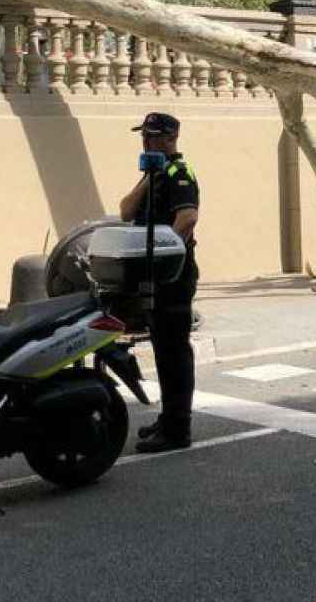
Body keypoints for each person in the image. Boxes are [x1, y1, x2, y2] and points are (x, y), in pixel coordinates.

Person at [118, 112, 200, 453]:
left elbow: (188, 217)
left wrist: (167, 253)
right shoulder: (156, 175)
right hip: (154, 277)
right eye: (144, 137)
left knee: (174, 352)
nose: (145, 142)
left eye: (152, 137)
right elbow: (125, 211)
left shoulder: (180, 174)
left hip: (174, 276)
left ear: (169, 139)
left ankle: (178, 428)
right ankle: (168, 419)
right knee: (163, 350)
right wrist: (148, 179)